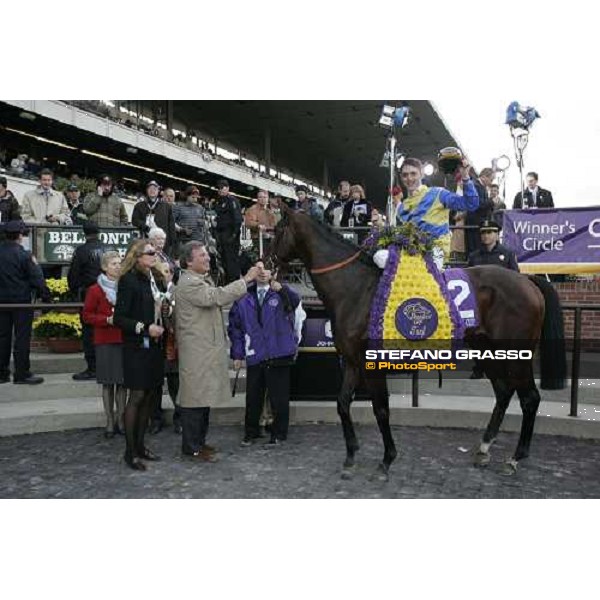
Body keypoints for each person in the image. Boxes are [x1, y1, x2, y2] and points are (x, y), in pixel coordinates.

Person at [174, 241, 259, 461]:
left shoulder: (198, 280)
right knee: (194, 401)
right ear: (189, 261)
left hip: (204, 351)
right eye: (202, 256)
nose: (208, 258)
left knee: (202, 398)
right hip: (197, 352)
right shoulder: (189, 283)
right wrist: (246, 279)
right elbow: (216, 297)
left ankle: (199, 443)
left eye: (207, 255)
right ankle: (192, 446)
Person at [228, 261, 300, 446]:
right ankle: (251, 432)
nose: (262, 272)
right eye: (257, 268)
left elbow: (295, 302)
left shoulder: (281, 292)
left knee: (279, 398)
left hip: (279, 353)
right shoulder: (243, 297)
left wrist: (281, 288)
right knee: (253, 397)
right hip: (256, 354)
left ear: (273, 272)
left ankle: (279, 433)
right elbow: (235, 328)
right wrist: (237, 354)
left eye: (265, 269)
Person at [113, 239, 167, 471]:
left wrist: (165, 309)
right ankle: (130, 451)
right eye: (150, 253)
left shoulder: (153, 277)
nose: (154, 255)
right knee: (136, 397)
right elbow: (119, 318)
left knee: (151, 396)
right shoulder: (128, 280)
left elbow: (157, 304)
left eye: (155, 252)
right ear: (137, 257)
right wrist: (144, 328)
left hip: (155, 345)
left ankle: (141, 445)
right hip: (136, 345)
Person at [378, 157, 479, 270]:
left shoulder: (438, 194)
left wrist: (465, 176)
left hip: (436, 253)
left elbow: (471, 204)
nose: (409, 178)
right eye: (405, 175)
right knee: (379, 257)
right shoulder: (403, 207)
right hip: (411, 253)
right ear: (401, 177)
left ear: (421, 174)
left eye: (413, 174)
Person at [82, 251, 127, 438]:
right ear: (104, 267)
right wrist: (106, 319)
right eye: (114, 263)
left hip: (124, 339)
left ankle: (121, 420)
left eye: (119, 263)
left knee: (123, 383)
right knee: (108, 384)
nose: (118, 266)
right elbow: (87, 315)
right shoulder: (95, 290)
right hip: (105, 340)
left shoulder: (125, 286)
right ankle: (109, 421)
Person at [467, 219, 519, 379]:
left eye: (490, 232)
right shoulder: (474, 256)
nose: (486, 236)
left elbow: (516, 278)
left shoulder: (507, 254)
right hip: (480, 305)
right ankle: (479, 367)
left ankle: (501, 367)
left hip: (500, 304)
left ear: (497, 235)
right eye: (483, 232)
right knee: (477, 338)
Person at [0, 221, 49, 385]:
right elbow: (37, 278)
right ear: (20, 236)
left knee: (2, 337)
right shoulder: (25, 255)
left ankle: (2, 373)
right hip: (21, 302)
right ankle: (21, 373)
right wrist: (45, 296)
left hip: (2, 303)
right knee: (22, 338)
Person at [67, 221, 104, 380]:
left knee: (89, 332)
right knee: (105, 329)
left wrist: (75, 290)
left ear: (84, 233)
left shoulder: (82, 251)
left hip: (89, 293)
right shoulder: (109, 249)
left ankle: (93, 368)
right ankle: (105, 366)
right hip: (108, 293)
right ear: (99, 232)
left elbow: (73, 277)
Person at [132, 180, 176, 254]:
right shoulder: (139, 205)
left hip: (162, 244)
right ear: (147, 190)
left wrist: (172, 242)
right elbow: (134, 220)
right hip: (145, 240)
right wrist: (145, 227)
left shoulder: (166, 206)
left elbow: (171, 225)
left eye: (155, 189)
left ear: (158, 191)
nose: (152, 190)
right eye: (150, 189)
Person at [214, 179, 243, 283]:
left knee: (232, 262)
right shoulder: (218, 202)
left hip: (230, 234)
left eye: (223, 187)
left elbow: (237, 220)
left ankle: (234, 283)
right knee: (223, 261)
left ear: (227, 188)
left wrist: (234, 235)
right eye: (219, 188)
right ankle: (226, 282)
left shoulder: (232, 201)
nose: (220, 190)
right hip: (221, 235)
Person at [465, 167, 495, 256]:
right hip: (474, 223)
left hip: (480, 223)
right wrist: (492, 201)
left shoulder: (482, 187)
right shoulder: (475, 186)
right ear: (484, 177)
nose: (491, 182)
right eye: (491, 179)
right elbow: (478, 205)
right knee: (474, 250)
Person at [172, 185, 207, 254]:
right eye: (193, 197)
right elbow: (172, 222)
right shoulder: (178, 207)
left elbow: (204, 222)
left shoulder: (200, 208)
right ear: (187, 196)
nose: (195, 199)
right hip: (183, 241)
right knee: (184, 261)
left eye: (196, 197)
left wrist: (203, 222)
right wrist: (181, 229)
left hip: (198, 240)